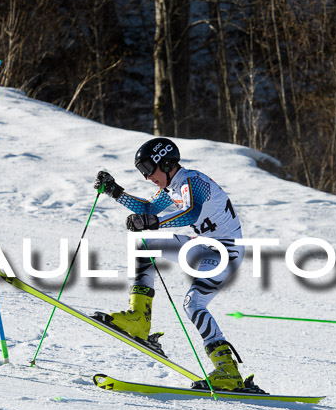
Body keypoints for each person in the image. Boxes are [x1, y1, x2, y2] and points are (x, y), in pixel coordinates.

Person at [92, 137, 247, 391]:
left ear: (164, 163)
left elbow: (190, 212)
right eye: (141, 171)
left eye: (147, 169)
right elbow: (149, 208)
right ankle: (139, 319)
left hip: (224, 253)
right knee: (145, 246)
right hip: (202, 246)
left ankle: (227, 370)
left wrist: (153, 223)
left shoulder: (193, 181)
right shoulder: (173, 187)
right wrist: (115, 192)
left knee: (193, 304)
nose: (146, 177)